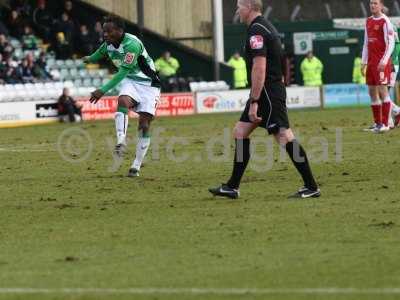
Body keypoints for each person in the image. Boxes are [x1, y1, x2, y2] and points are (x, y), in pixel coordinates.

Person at [209, 0, 320, 199]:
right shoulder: (265, 26)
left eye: (239, 6)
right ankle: (232, 187)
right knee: (240, 131)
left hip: (267, 92)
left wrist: (254, 101)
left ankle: (311, 186)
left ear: (249, 7)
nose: (237, 10)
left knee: (284, 136)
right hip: (269, 90)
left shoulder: (256, 31)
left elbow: (259, 67)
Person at [84, 16, 161, 177]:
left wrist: (102, 90)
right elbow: (99, 53)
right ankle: (121, 141)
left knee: (144, 124)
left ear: (120, 31)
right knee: (122, 100)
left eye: (109, 31)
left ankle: (136, 166)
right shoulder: (109, 44)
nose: (105, 34)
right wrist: (89, 58)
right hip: (131, 81)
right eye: (104, 31)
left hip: (149, 85)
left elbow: (123, 72)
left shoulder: (132, 44)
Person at [361, 0, 395, 133]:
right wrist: (363, 62)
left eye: (375, 3)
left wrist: (384, 60)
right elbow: (365, 43)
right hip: (370, 62)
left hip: (381, 63)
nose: (372, 5)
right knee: (372, 93)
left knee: (383, 92)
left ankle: (386, 124)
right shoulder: (368, 21)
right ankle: (378, 123)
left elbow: (390, 43)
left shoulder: (385, 21)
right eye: (371, 3)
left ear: (381, 6)